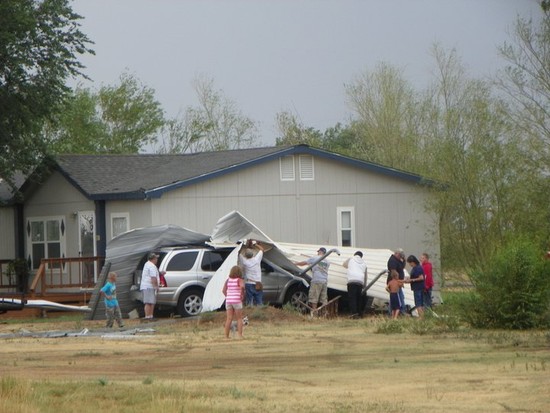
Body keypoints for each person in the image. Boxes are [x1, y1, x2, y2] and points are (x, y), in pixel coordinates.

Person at [295, 247, 330, 312]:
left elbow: (304, 263)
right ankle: (324, 313)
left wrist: (295, 264)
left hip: (316, 280)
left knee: (314, 298)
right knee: (324, 299)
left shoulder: (315, 258)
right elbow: (320, 267)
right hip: (324, 281)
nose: (317, 253)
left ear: (320, 252)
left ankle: (314, 313)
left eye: (318, 252)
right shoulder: (327, 262)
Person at [240, 240, 266, 306]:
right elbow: (262, 249)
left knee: (249, 304)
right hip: (258, 283)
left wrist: (245, 246)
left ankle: (249, 315)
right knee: (259, 302)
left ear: (245, 255)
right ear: (252, 254)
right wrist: (255, 244)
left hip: (249, 284)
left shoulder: (244, 261)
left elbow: (239, 253)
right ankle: (259, 314)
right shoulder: (257, 259)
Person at [222, 265, 245, 339]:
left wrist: (228, 296)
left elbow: (223, 290)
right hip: (237, 300)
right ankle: (240, 335)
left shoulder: (228, 280)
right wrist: (241, 294)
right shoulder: (239, 280)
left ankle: (226, 336)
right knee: (239, 318)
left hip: (229, 301)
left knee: (229, 318)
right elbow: (242, 286)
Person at [343, 251, 368, 318]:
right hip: (360, 281)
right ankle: (359, 313)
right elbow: (365, 276)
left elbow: (344, 265)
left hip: (352, 280)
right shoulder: (364, 263)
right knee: (358, 298)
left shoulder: (351, 258)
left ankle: (354, 313)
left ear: (355, 254)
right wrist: (364, 285)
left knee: (352, 297)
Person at [140, 252, 160, 320]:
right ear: (153, 259)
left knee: (152, 302)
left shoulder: (148, 264)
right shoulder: (151, 266)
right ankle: (147, 316)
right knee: (148, 302)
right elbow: (153, 277)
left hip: (148, 286)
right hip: (148, 286)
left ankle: (150, 316)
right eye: (156, 258)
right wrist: (156, 286)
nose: (157, 259)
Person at [387, 248, 406, 314]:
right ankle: (401, 311)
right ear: (397, 254)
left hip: (398, 282)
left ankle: (400, 311)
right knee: (397, 297)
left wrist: (404, 260)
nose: (401, 257)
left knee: (398, 297)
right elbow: (393, 272)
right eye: (400, 256)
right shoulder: (392, 261)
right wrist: (398, 282)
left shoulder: (398, 260)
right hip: (395, 283)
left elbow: (402, 267)